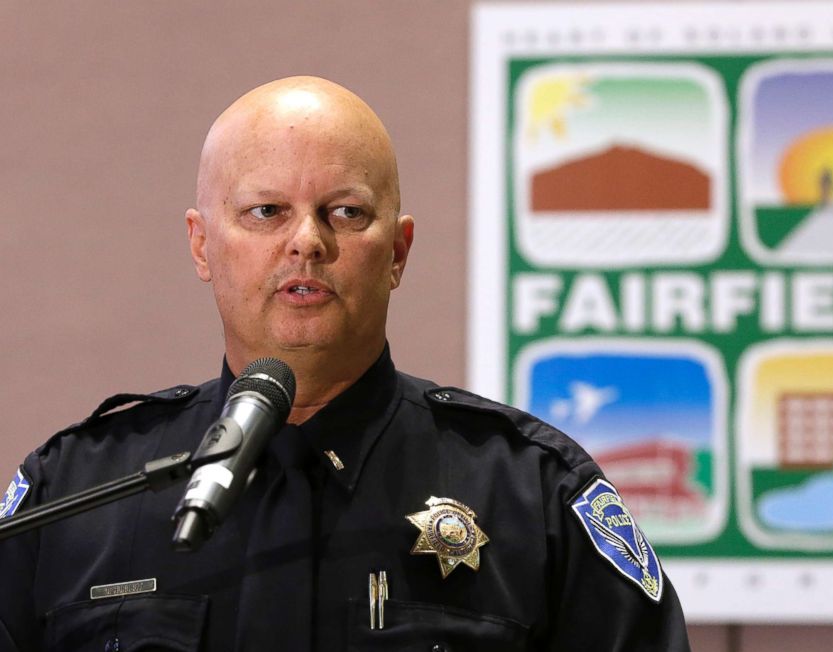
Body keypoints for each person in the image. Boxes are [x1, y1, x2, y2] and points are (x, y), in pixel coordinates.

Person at [0, 77, 691, 651]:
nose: (306, 242)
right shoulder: (75, 494)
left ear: (397, 252)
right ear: (202, 245)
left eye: (345, 212)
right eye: (267, 210)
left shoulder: (532, 493)